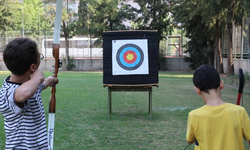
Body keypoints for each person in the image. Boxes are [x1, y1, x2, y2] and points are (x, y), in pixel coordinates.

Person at [0, 38, 58, 149]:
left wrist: (50, 81)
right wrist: (37, 79)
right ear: (33, 67)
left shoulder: (31, 86)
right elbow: (22, 94)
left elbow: (39, 87)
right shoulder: (7, 92)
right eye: (39, 57)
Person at [186, 64, 250, 150]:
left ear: (197, 90)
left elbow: (189, 140)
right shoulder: (240, 112)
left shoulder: (194, 115)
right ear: (221, 84)